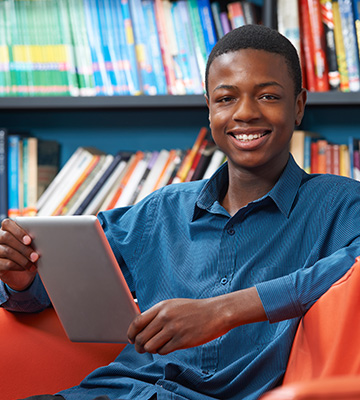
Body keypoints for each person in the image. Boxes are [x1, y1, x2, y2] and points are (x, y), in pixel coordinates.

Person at [1, 24, 360, 400]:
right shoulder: (161, 210)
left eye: (268, 96)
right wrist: (22, 277)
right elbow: (47, 292)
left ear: (299, 105)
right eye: (225, 99)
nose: (246, 113)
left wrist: (226, 311)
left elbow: (352, 270)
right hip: (109, 392)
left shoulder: (337, 204)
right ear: (209, 108)